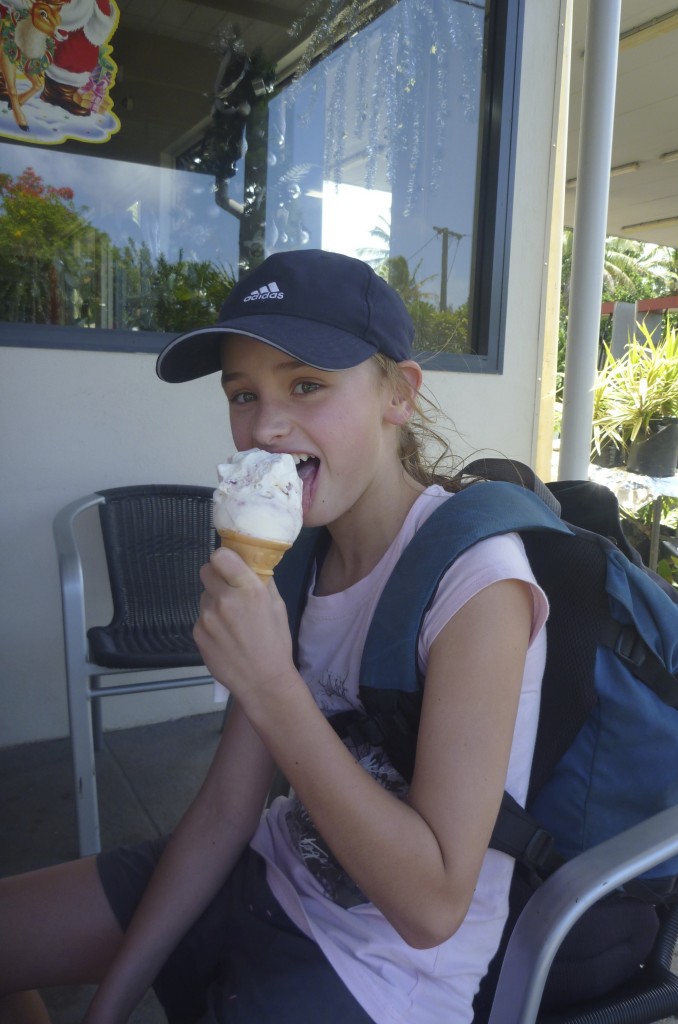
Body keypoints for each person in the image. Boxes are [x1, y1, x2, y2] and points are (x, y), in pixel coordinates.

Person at [0, 249, 548, 1024]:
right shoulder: (294, 559)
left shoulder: (478, 583)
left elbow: (432, 908)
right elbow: (229, 807)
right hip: (263, 871)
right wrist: (109, 1005)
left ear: (398, 393)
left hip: (379, 974)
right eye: (242, 394)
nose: (264, 426)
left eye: (306, 385)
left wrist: (267, 683)